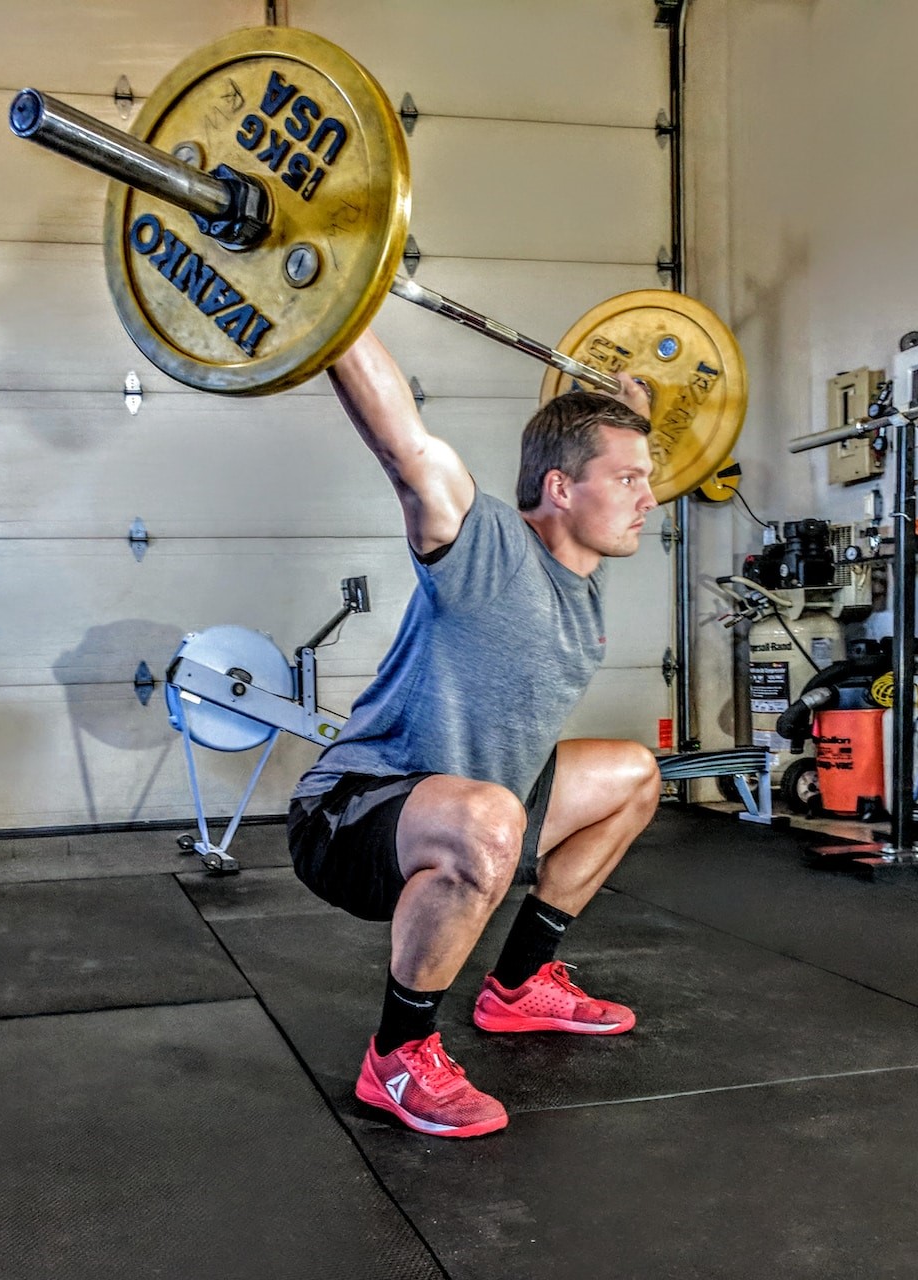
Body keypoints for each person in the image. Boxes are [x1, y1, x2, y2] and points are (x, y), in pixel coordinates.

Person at [286, 330, 663, 1138]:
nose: (650, 499)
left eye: (648, 479)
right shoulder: (483, 543)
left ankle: (519, 986)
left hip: (484, 807)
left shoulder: (582, 577)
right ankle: (399, 1053)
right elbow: (405, 443)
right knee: (489, 819)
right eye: (630, 480)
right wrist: (335, 315)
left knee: (634, 772)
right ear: (560, 489)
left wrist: (631, 415)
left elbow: (609, 454)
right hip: (356, 815)